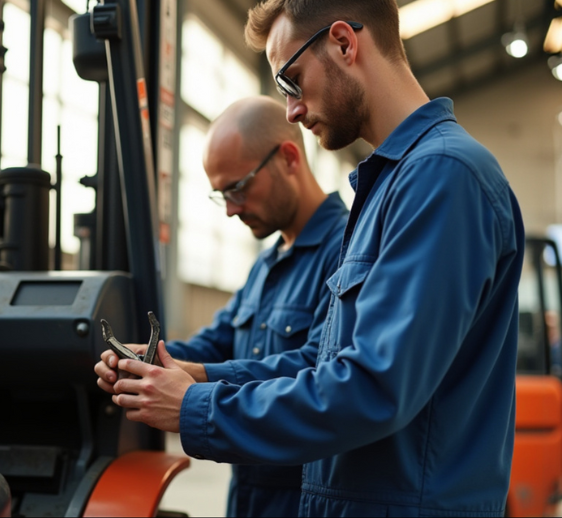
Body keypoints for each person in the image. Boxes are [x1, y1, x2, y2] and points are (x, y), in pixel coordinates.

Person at [99, 0, 525, 515]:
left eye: (292, 81)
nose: (293, 111)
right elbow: (320, 363)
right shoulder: (391, 187)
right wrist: (198, 376)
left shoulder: (442, 177)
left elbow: (374, 386)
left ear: (344, 43)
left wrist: (195, 407)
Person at [95, 95, 349, 517]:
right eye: (221, 196)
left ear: (289, 157)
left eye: (237, 188)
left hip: (304, 500)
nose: (230, 210)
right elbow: (218, 341)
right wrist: (150, 358)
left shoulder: (347, 251)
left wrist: (192, 379)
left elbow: (320, 370)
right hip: (248, 497)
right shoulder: (266, 265)